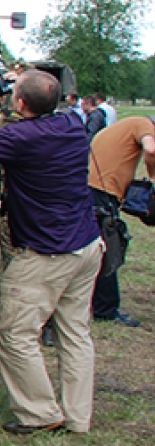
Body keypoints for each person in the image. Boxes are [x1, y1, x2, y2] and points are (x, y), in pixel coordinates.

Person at [0, 69, 102, 436]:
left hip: (47, 254)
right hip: (86, 244)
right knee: (75, 332)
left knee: (13, 331)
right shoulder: (71, 123)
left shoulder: (20, 136)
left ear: (19, 104)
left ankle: (39, 413)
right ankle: (78, 418)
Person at [86, 114, 155, 327]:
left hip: (91, 187)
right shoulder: (143, 124)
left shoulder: (122, 127)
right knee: (109, 248)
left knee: (93, 247)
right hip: (102, 191)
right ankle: (106, 309)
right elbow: (151, 149)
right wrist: (153, 178)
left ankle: (92, 303)